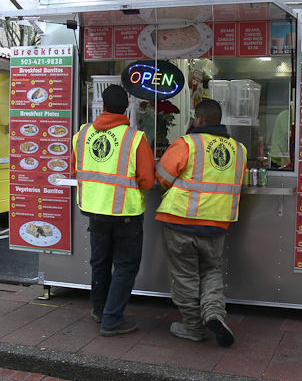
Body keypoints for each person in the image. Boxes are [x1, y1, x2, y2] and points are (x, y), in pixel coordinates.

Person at [155, 99, 247, 347]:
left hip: (180, 221)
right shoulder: (239, 149)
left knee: (185, 277)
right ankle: (214, 313)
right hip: (217, 224)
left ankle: (194, 328)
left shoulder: (187, 143)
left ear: (199, 119)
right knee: (211, 271)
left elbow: (162, 177)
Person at [71, 84, 155, 337]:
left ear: (103, 106)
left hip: (94, 211)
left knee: (100, 262)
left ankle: (99, 311)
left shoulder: (82, 135)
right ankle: (112, 319)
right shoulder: (135, 139)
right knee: (126, 266)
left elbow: (75, 171)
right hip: (125, 214)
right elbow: (147, 181)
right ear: (127, 107)